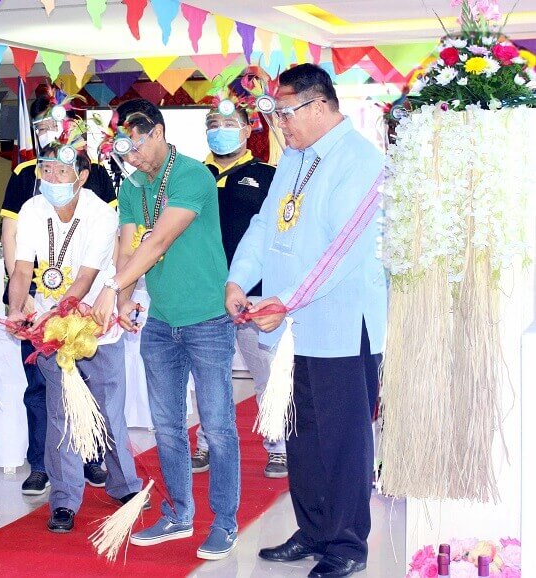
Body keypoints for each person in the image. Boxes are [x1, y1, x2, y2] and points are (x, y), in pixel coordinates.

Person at [225, 64, 386, 578]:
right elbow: (264, 225)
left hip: (341, 325)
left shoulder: (362, 162)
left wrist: (282, 302)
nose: (279, 124)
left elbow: (341, 253)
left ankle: (346, 544)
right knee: (303, 435)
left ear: (319, 106)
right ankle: (314, 529)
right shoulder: (294, 158)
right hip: (295, 327)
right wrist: (239, 280)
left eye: (285, 112)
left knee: (343, 440)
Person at [90, 99, 240, 561]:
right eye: (123, 150)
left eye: (135, 146)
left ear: (156, 132)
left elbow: (159, 239)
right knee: (167, 427)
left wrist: (112, 286)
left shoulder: (193, 174)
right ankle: (178, 513)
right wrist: (124, 295)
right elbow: (129, 240)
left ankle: (225, 521)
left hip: (208, 320)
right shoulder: (134, 183)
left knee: (217, 427)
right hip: (161, 324)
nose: (129, 158)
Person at [6, 136, 142, 534]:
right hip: (51, 325)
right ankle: (65, 499)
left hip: (95, 324)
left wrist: (53, 313)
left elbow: (84, 278)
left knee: (107, 410)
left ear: (81, 176)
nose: (52, 177)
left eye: (62, 171)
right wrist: (17, 308)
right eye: (46, 170)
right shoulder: (32, 209)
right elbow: (20, 269)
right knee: (60, 413)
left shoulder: (101, 214)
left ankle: (124, 485)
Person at [0, 90, 116, 496]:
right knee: (45, 394)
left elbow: (100, 259)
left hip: (87, 309)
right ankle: (49, 473)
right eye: (42, 124)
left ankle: (98, 462)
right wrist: (19, 303)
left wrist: (105, 295)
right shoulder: (27, 185)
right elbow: (17, 254)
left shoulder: (99, 185)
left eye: (57, 122)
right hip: (39, 306)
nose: (50, 177)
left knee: (92, 391)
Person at [191, 81, 286, 479]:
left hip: (254, 296)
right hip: (203, 295)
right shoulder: (192, 176)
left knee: (266, 375)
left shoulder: (270, 175)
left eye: (229, 122)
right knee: (209, 377)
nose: (220, 128)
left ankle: (278, 446)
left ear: (249, 130)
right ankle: (205, 444)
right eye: (213, 122)